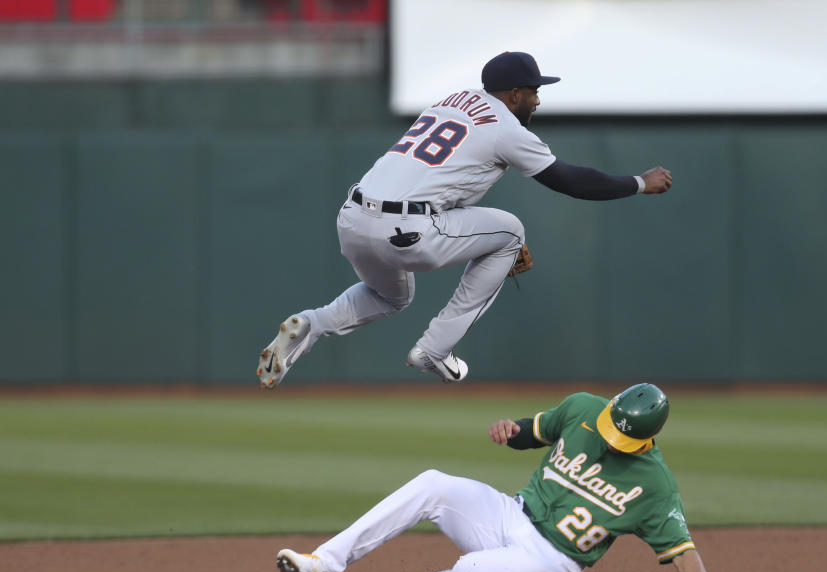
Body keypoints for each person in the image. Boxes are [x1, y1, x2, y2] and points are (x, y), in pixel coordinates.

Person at [257, 51, 673, 387]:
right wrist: (638, 182)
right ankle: (434, 350)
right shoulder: (505, 127)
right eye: (532, 91)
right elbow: (569, 180)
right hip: (405, 228)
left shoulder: (450, 102)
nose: (537, 99)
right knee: (510, 233)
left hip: (352, 218)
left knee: (391, 296)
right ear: (512, 94)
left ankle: (311, 323)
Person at [275, 383, 741, 572]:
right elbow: (532, 432)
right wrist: (510, 431)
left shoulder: (655, 485)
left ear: (647, 439)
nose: (609, 436)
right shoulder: (583, 408)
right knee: (433, 483)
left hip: (552, 563)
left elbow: (680, 548)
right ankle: (322, 566)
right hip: (511, 514)